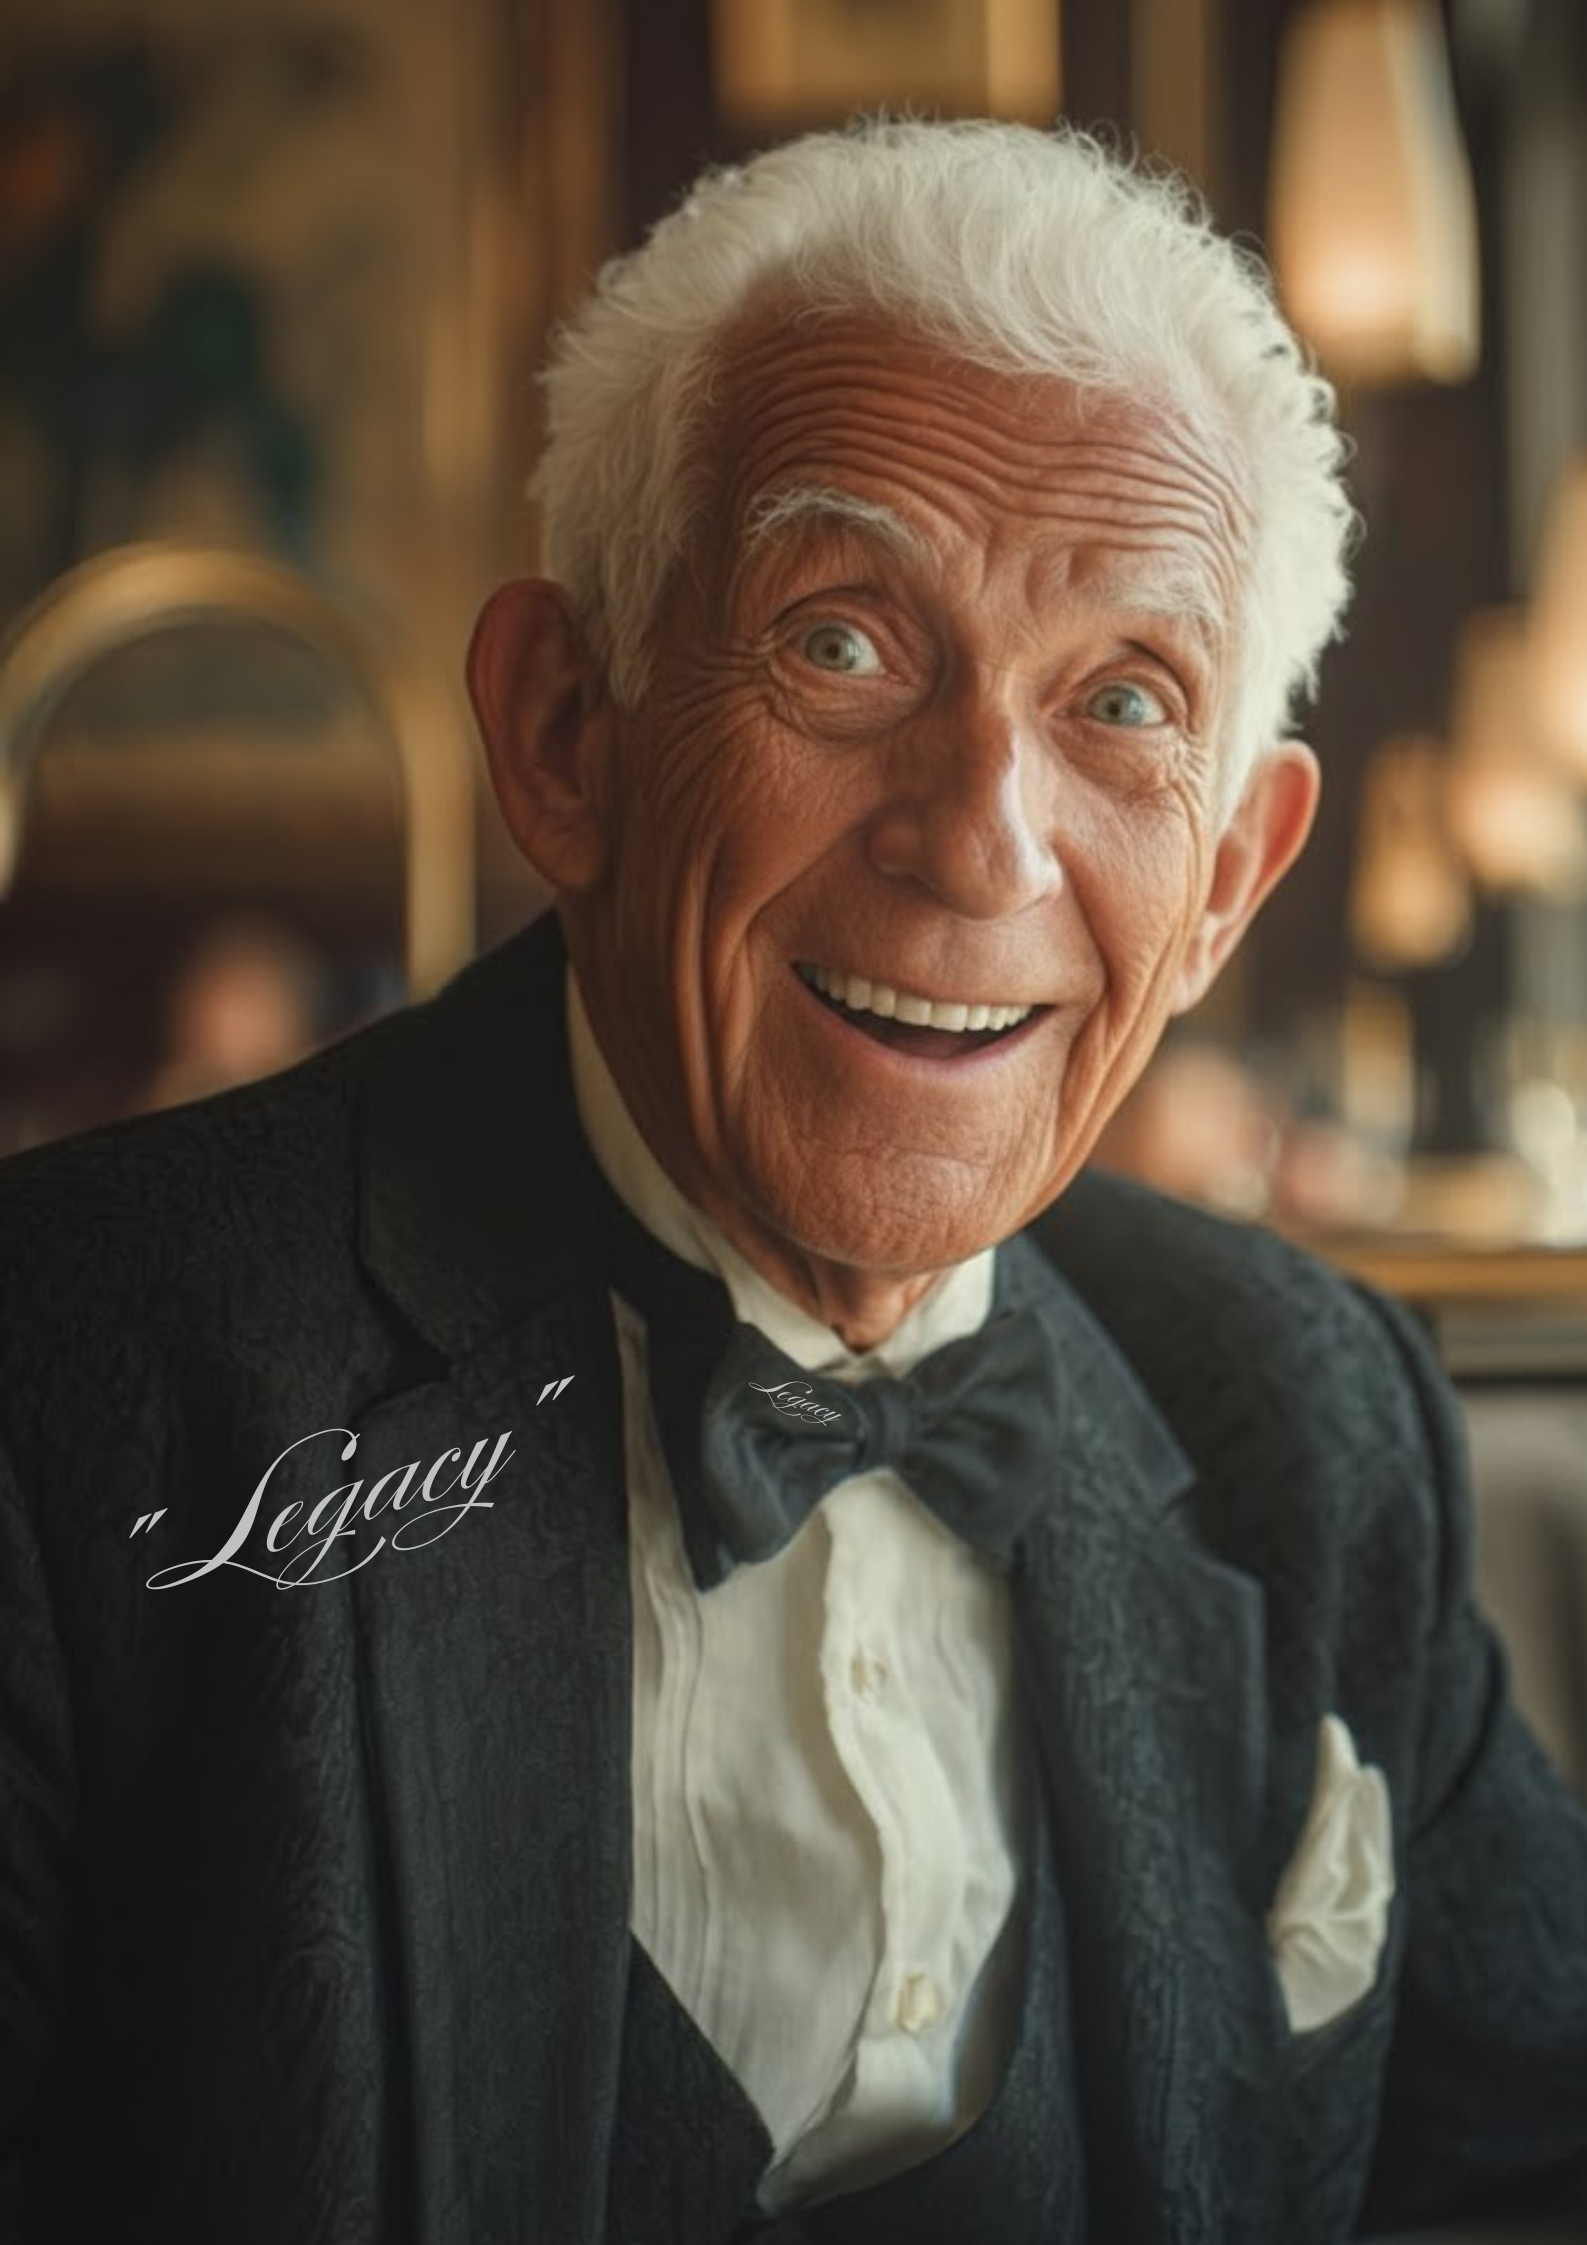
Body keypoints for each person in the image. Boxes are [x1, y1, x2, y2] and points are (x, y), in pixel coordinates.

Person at [0, 118, 1583, 2245]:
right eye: (844, 645)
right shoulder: (62, 1382)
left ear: (1224, 883)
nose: (983, 842)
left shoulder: (1312, 1417)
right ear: (569, 729)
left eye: (1122, 702)